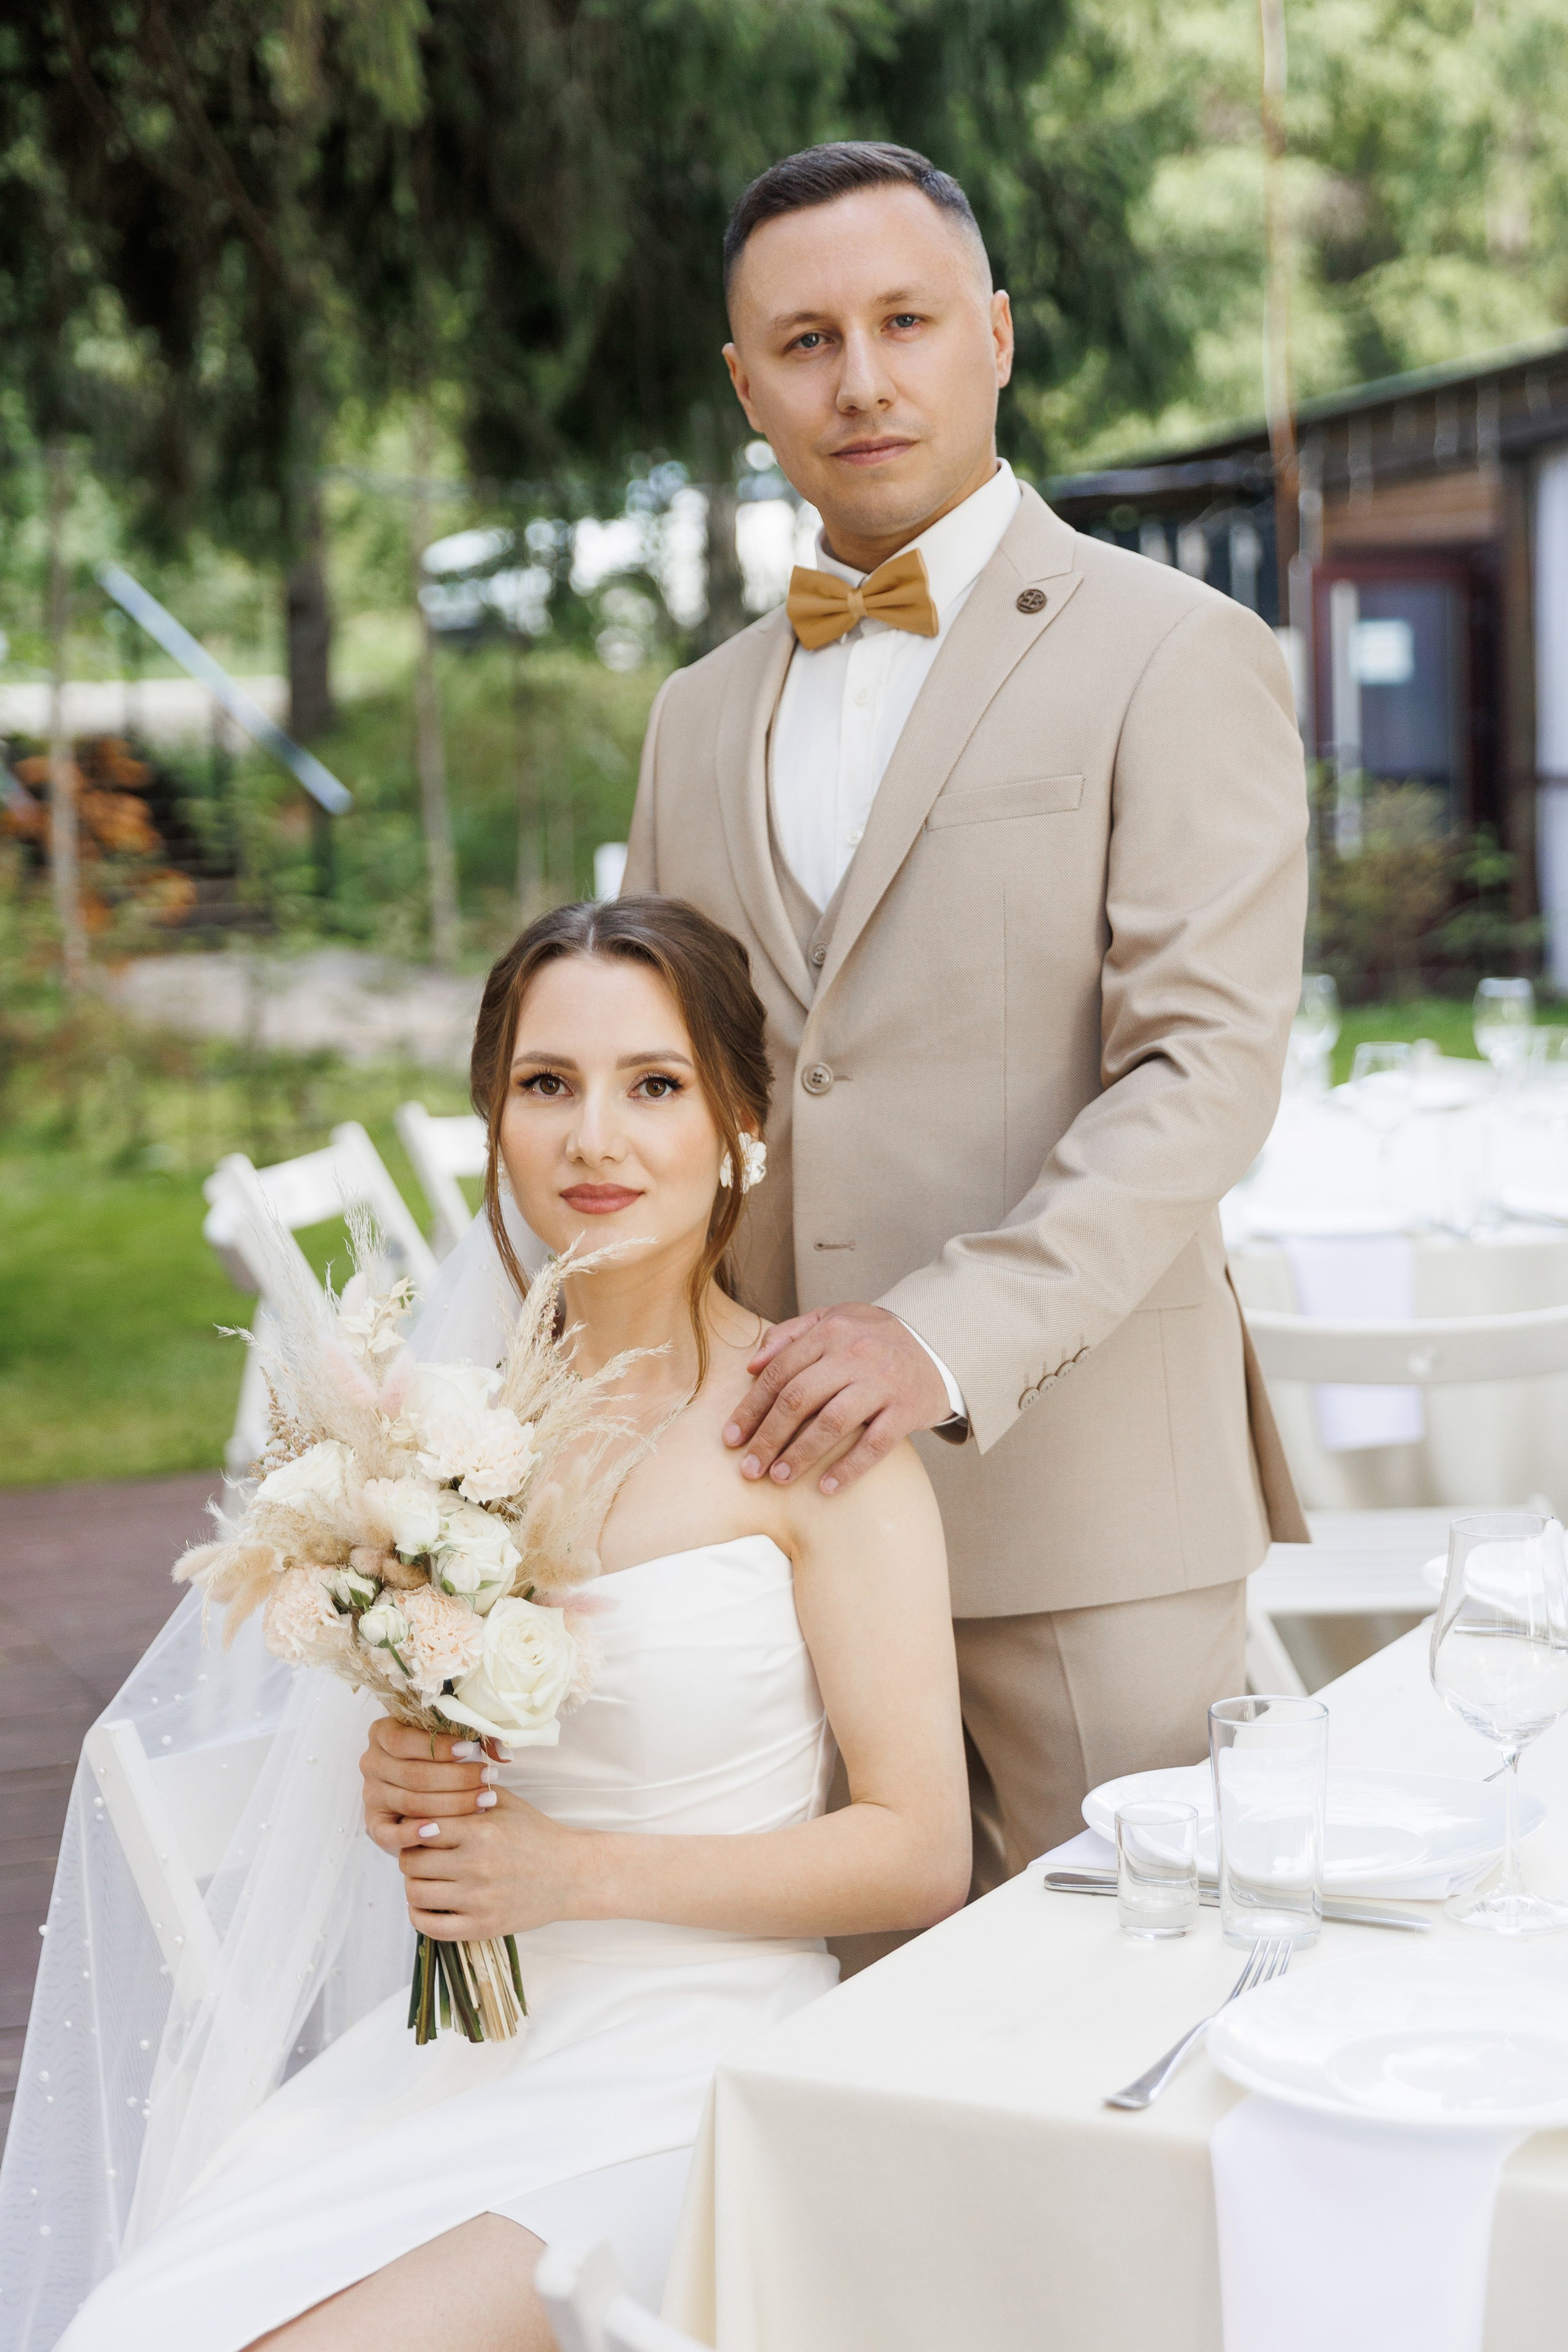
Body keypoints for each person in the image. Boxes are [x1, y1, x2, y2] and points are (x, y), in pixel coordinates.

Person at [34, 898, 969, 2351]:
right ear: (494, 1119)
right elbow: (436, 1763)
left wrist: (565, 1869)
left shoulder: (810, 1443)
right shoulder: (433, 1432)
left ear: (738, 1126)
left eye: (653, 1086)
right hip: (460, 2044)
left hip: (695, 2059)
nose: (594, 1137)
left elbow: (917, 1854)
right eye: (548, 1085)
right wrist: (402, 1786)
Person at [624, 140, 1311, 1918]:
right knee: (846, 2047)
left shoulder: (1179, 651)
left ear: (994, 336)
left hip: (1087, 1515)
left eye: (907, 320)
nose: (861, 379)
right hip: (778, 1520)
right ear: (744, 387)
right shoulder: (694, 719)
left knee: (1131, 2031)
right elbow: (675, 1087)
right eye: (805, 341)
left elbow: (1205, 1073)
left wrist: (938, 1342)